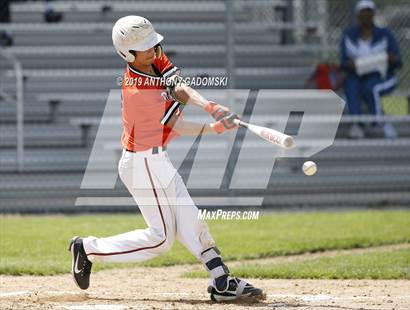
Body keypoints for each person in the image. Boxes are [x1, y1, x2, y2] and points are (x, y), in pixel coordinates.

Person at [68, 15, 264, 303]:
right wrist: (215, 127)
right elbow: (177, 125)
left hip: (156, 160)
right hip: (142, 164)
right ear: (128, 53)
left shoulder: (151, 57)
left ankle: (221, 280)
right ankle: (88, 249)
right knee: (161, 240)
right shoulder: (138, 93)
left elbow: (179, 87)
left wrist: (211, 106)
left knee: (191, 219)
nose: (156, 49)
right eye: (147, 47)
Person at [340, 0, 402, 139]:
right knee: (351, 86)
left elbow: (397, 60)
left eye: (369, 12)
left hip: (380, 75)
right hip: (356, 74)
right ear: (358, 15)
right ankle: (356, 124)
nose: (366, 16)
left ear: (373, 14)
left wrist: (389, 58)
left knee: (371, 88)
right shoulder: (349, 35)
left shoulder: (385, 34)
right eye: (363, 12)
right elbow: (343, 62)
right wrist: (352, 65)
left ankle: (380, 123)